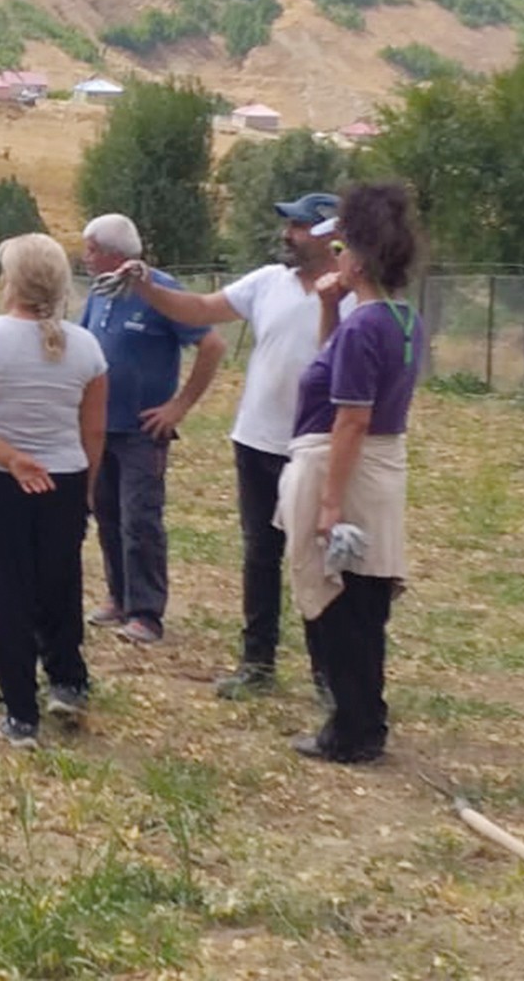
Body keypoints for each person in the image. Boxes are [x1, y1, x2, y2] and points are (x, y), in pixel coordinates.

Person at [116, 192, 346, 698]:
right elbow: (199, 308)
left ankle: (329, 674)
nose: (287, 234)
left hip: (316, 447)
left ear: (331, 235)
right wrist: (148, 285)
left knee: (316, 559)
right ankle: (257, 662)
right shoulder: (267, 283)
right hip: (257, 441)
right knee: (260, 555)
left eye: (301, 227)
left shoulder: (352, 297)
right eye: (287, 226)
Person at [0, 234, 108, 748]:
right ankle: (67, 680)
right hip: (65, 476)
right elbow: (94, 430)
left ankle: (19, 710)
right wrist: (87, 487)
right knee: (59, 581)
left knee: (2, 591)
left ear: (10, 282)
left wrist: (8, 456)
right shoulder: (86, 346)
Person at [278, 182, 425, 763]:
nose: (334, 256)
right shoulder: (399, 318)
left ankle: (352, 727)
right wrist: (327, 306)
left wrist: (331, 503)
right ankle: (365, 716)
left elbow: (350, 420)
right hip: (382, 468)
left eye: (342, 248)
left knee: (338, 597)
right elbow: (328, 366)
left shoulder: (366, 328)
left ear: (358, 259)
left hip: (347, 470)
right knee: (365, 596)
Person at [80, 214, 227, 646]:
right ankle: (118, 596)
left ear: (112, 252)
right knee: (105, 511)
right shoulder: (101, 291)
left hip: (144, 429)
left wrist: (178, 407)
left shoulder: (160, 291)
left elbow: (212, 345)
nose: (85, 257)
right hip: (100, 425)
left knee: (140, 518)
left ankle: (147, 612)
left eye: (90, 249)